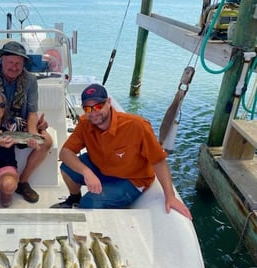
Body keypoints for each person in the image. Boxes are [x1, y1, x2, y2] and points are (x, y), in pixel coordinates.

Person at [50, 83, 192, 220]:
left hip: (131, 179)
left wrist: (170, 196)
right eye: (88, 109)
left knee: (89, 203)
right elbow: (65, 152)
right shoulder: (84, 123)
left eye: (98, 106)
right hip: (102, 167)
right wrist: (87, 172)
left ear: (109, 102)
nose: (93, 112)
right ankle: (74, 198)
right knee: (66, 168)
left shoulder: (137, 126)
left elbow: (159, 162)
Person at [0, 41, 52, 203]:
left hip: (17, 123)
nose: (14, 67)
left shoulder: (30, 81)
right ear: (2, 61)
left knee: (46, 141)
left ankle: (22, 181)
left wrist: (33, 134)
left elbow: (31, 113)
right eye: (10, 62)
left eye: (18, 63)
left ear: (23, 64)